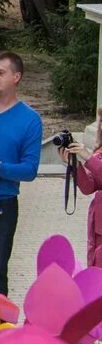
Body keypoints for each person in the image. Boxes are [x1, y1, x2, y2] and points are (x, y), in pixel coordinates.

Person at [65, 110, 102, 268]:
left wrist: (87, 157)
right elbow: (89, 187)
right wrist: (75, 164)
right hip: (98, 227)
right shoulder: (100, 151)